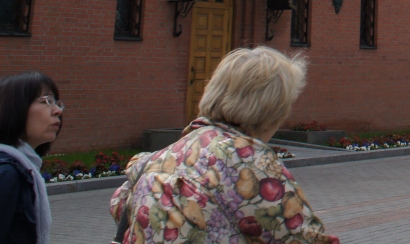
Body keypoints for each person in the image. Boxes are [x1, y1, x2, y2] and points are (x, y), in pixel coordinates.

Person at [111, 47, 337, 243]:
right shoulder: (248, 162)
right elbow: (303, 237)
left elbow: (120, 206)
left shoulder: (156, 159)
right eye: (286, 106)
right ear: (271, 111)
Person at [0, 72, 61, 244]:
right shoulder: (6, 173)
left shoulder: (21, 169)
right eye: (46, 101)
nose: (57, 110)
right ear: (13, 108)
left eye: (57, 103)